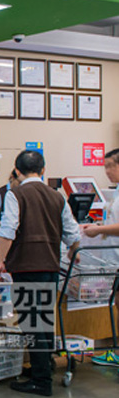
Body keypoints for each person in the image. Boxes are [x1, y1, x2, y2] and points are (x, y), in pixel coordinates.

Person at [0, 150, 80, 396]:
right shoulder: (57, 196)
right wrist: (73, 250)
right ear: (43, 170)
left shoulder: (15, 194)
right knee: (43, 319)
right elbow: (72, 231)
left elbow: (8, 230)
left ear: (17, 171)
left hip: (26, 266)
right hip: (51, 265)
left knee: (32, 323)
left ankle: (41, 381)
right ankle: (45, 366)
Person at [79, 148, 119, 367]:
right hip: (113, 260)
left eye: (110, 166)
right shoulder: (116, 192)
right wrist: (98, 227)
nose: (107, 171)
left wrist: (99, 230)